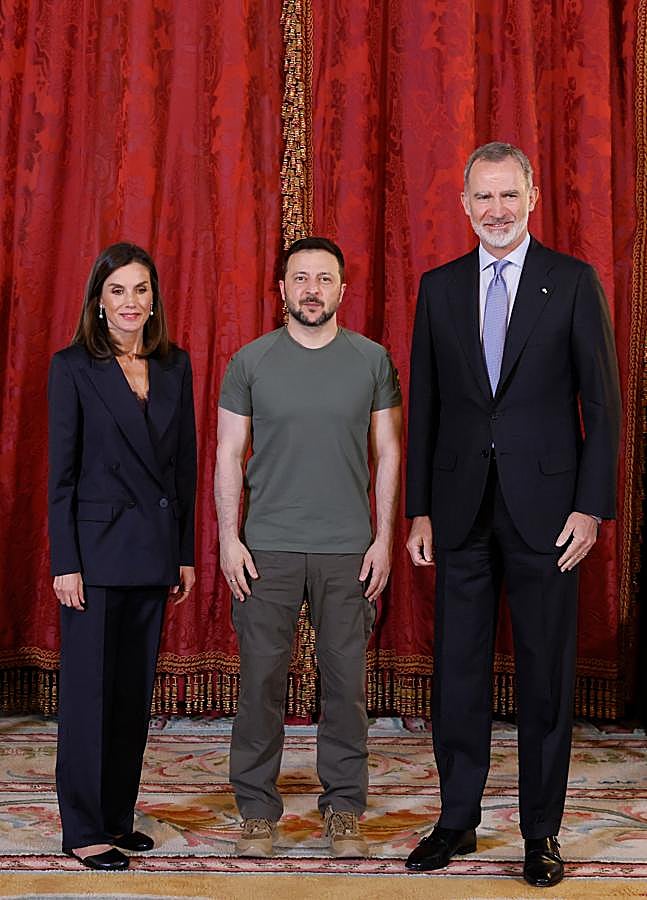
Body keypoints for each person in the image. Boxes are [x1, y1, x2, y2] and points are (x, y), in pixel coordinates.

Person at [404, 143, 621, 888]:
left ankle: (540, 834)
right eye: (482, 198)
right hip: (459, 512)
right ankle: (456, 822)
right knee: (456, 677)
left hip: (548, 516)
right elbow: (425, 408)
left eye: (508, 195)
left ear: (530, 197)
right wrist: (419, 511)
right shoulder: (437, 288)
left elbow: (602, 407)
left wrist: (590, 508)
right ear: (463, 204)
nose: (495, 210)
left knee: (544, 683)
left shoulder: (570, 282)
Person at [214, 236, 402, 859]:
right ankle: (257, 811)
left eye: (325, 278)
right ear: (282, 289)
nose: (312, 289)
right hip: (266, 549)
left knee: (345, 684)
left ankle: (344, 808)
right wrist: (228, 539)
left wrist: (382, 540)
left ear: (342, 290)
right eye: (300, 278)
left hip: (348, 551)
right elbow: (227, 456)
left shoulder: (372, 361)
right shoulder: (250, 362)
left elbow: (389, 453)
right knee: (260, 682)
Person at [48, 242, 197, 870]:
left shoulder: (174, 365)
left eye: (141, 290)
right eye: (118, 291)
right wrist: (65, 561)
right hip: (96, 554)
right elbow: (62, 474)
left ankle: (116, 817)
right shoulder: (73, 366)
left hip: (153, 551)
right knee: (89, 695)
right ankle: (83, 828)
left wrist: (184, 553)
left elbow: (182, 468)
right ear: (98, 301)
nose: (131, 303)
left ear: (154, 298)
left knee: (132, 696)